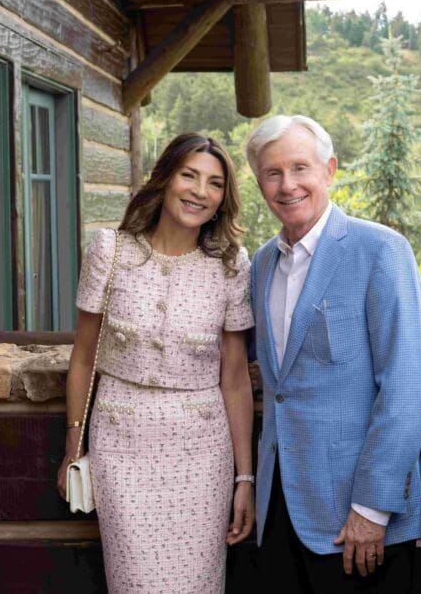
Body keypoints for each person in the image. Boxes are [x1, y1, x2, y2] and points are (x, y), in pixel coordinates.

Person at [246, 115, 421, 592]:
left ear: (329, 170)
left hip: (359, 517)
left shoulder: (381, 250)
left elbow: (407, 386)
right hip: (281, 510)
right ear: (259, 183)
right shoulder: (261, 265)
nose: (287, 185)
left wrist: (371, 510)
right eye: (273, 173)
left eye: (300, 168)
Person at [57, 133, 256, 593]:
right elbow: (84, 356)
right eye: (188, 175)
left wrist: (243, 478)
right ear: (164, 180)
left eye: (214, 183)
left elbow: (235, 378)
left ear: (224, 198)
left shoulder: (230, 265)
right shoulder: (111, 252)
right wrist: (74, 444)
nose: (199, 192)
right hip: (121, 445)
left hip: (202, 455)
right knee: (136, 583)